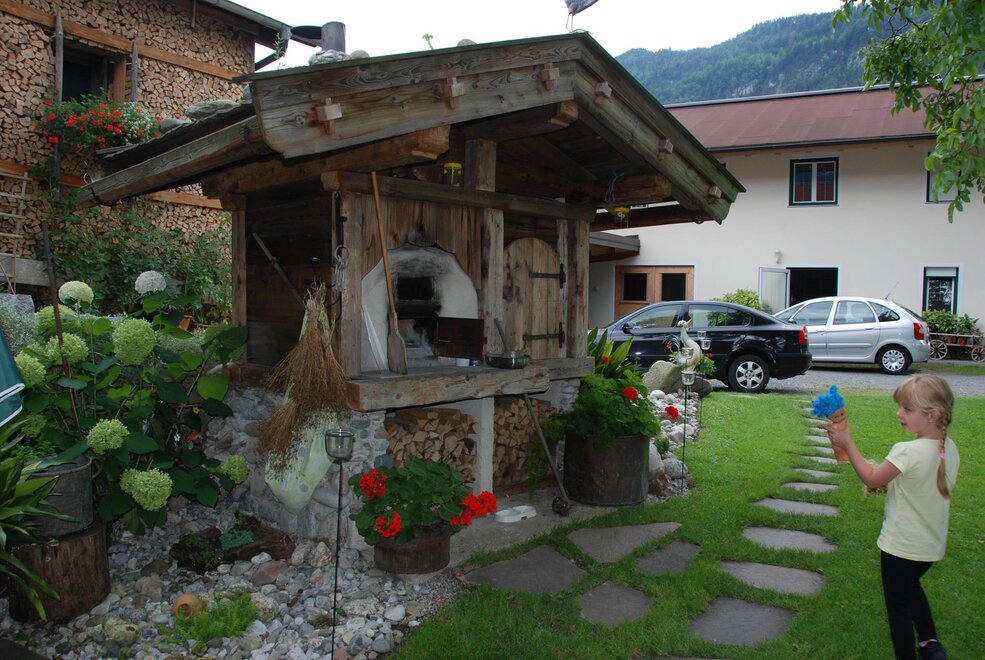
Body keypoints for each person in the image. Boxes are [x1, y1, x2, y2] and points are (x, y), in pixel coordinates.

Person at [821, 374, 959, 660]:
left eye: (907, 409)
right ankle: (930, 643)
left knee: (899, 608)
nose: (899, 413)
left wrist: (847, 443)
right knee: (910, 587)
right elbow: (913, 483)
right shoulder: (948, 449)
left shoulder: (906, 451)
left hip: (900, 548)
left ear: (933, 415)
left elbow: (872, 478)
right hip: (928, 548)